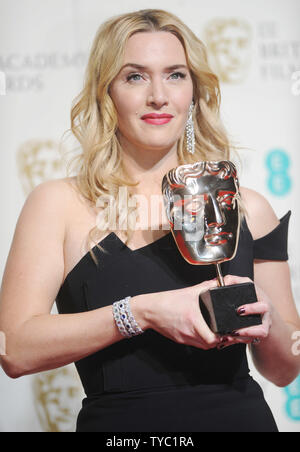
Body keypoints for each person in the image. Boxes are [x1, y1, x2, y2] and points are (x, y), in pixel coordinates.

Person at [0, 9, 299, 433]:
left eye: (175, 75)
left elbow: (286, 370)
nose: (158, 95)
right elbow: (14, 349)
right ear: (107, 92)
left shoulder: (246, 206)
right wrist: (141, 313)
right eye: (135, 76)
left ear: (194, 91)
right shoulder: (59, 204)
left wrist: (265, 326)